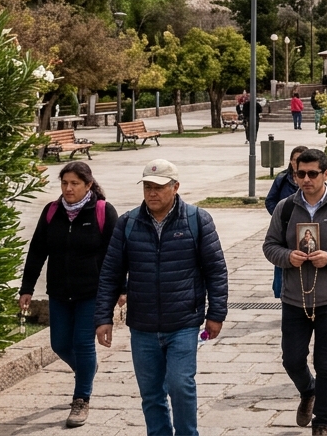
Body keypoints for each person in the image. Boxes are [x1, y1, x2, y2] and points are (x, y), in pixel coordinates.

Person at [96, 160, 228, 436]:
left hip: (183, 322)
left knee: (181, 385)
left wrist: (216, 314)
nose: (152, 193)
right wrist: (103, 318)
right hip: (142, 326)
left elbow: (216, 270)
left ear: (175, 187)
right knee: (151, 394)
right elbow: (110, 272)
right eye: (147, 187)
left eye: (158, 187)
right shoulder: (128, 223)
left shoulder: (197, 220)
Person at [263, 149, 327, 436]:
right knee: (292, 359)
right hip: (294, 297)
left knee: (326, 362)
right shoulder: (285, 208)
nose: (306, 179)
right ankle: (308, 390)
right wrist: (287, 256)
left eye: (312, 174)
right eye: (301, 174)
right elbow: (269, 245)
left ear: (325, 174)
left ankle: (322, 420)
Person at [19, 162, 118, 428]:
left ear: (88, 184)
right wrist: (26, 288)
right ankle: (86, 371)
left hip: (92, 292)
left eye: (74, 183)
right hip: (60, 291)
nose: (68, 188)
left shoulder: (102, 211)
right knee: (60, 344)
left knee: (84, 343)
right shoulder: (52, 211)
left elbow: (116, 254)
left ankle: (81, 399)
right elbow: (37, 250)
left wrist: (121, 288)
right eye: (64, 183)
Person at [267, 145, 309, 297]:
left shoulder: (313, 179)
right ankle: (282, 293)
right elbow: (270, 200)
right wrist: (281, 217)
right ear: (291, 161)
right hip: (286, 230)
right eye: (295, 160)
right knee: (283, 260)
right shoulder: (282, 178)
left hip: (308, 231)